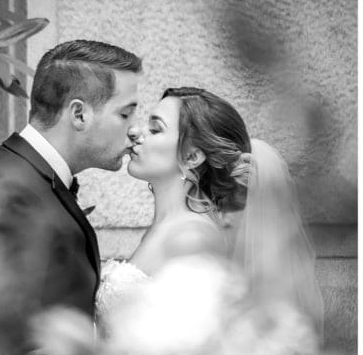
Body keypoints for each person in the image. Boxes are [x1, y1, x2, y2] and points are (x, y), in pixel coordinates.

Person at [0, 39, 142, 355]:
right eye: (125, 113)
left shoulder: (29, 173)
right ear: (79, 114)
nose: (135, 129)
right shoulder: (12, 186)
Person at [98, 86, 323, 333]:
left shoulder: (193, 238)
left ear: (193, 157)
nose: (134, 132)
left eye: (155, 129)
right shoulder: (171, 226)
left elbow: (186, 347)